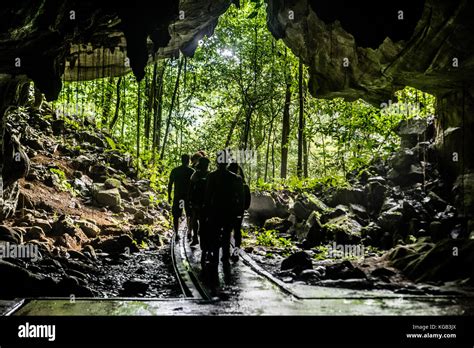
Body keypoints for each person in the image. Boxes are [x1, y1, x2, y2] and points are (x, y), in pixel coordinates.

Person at [204, 151, 244, 268]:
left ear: (217, 162)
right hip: (229, 211)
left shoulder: (211, 176)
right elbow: (241, 198)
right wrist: (239, 213)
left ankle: (215, 257)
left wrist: (206, 212)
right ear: (227, 162)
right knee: (227, 234)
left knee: (215, 234)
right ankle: (225, 257)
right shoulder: (236, 178)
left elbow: (207, 196)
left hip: (215, 211)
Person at [227, 162, 251, 262]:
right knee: (237, 232)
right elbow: (247, 203)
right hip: (238, 212)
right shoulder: (244, 186)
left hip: (227, 211)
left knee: (227, 231)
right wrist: (242, 209)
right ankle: (236, 253)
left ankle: (226, 252)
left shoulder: (226, 185)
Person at [168, 154, 194, 239]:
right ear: (189, 160)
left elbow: (170, 184)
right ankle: (189, 232)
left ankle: (176, 233)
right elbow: (195, 185)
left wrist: (169, 195)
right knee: (189, 214)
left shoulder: (175, 170)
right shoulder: (192, 171)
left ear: (181, 160)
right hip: (188, 196)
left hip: (178, 195)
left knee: (176, 215)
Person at [188, 156, 210, 247]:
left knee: (196, 219)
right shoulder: (208, 174)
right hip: (202, 200)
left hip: (199, 200)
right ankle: (198, 238)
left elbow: (190, 188)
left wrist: (189, 199)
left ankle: (197, 238)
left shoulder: (197, 174)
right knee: (201, 219)